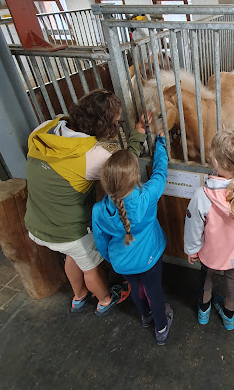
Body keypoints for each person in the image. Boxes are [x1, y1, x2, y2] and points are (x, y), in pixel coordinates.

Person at [24, 89, 141, 316]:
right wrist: (137, 136)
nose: (118, 126)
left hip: (36, 224)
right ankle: (105, 299)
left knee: (72, 257)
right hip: (70, 232)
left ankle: (78, 296)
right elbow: (124, 169)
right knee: (90, 268)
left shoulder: (44, 130)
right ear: (105, 125)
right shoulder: (94, 157)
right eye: (116, 122)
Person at [92, 122, 173, 345]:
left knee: (136, 290)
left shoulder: (98, 210)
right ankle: (161, 328)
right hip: (149, 258)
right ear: (136, 177)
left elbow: (101, 242)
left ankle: (146, 317)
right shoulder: (147, 195)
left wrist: (113, 258)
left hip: (122, 262)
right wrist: (161, 143)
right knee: (154, 291)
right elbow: (160, 172)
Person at [184, 131, 234, 330]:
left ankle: (203, 312)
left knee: (205, 278)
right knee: (233, 282)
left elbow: (193, 228)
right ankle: (229, 318)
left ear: (214, 162)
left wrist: (192, 250)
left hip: (211, 252)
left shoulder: (202, 196)